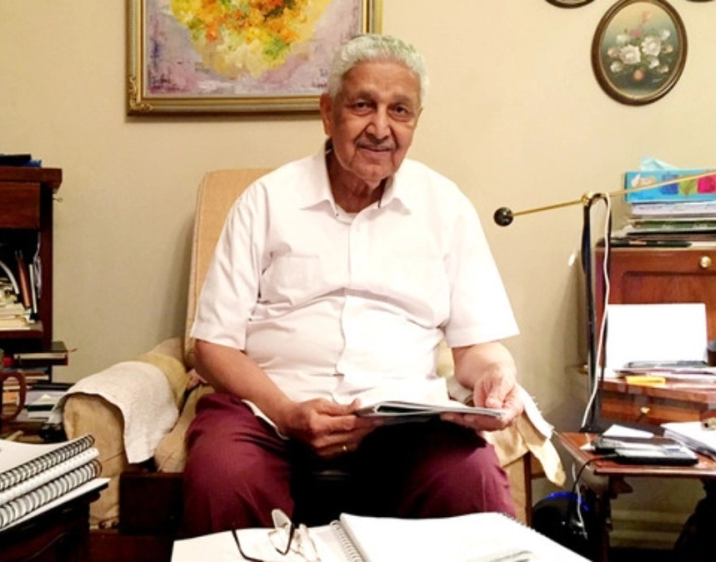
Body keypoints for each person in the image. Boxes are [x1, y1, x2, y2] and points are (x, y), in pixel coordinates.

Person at [181, 33, 524, 537]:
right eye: (363, 105)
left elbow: (476, 347)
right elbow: (212, 346)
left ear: (416, 121)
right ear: (328, 112)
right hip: (267, 414)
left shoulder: (445, 207)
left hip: (405, 425)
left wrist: (497, 375)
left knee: (471, 479)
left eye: (399, 110)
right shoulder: (265, 201)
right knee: (223, 477)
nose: (380, 128)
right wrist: (287, 412)